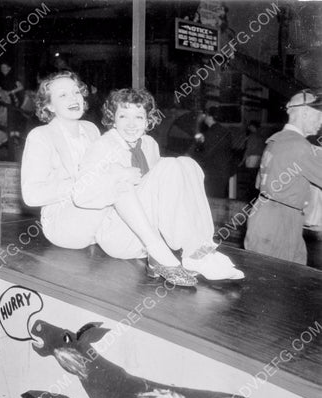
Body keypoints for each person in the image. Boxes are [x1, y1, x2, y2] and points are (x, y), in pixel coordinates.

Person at [21, 72, 243, 286]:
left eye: (77, 92)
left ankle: (201, 250)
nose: (74, 98)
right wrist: (98, 177)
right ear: (48, 105)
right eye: (63, 95)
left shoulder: (90, 129)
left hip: (100, 219)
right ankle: (160, 252)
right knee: (119, 178)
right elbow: (32, 195)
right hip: (65, 220)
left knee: (184, 164)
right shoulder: (41, 136)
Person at [244, 90, 322, 264]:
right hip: (280, 224)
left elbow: (259, 183)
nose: (321, 122)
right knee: (276, 283)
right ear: (304, 113)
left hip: (268, 216)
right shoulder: (299, 146)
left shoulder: (276, 140)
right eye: (319, 116)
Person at [187, 106, 233, 198]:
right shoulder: (225, 131)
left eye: (206, 115)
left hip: (213, 172)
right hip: (224, 171)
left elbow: (203, 152)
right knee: (219, 197)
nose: (204, 117)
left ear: (210, 117)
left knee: (211, 199)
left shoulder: (210, 133)